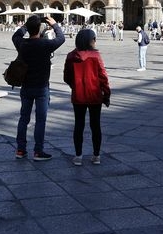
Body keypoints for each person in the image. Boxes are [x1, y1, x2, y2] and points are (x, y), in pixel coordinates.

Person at [12, 14, 66, 161]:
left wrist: (25, 26)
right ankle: (38, 151)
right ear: (40, 28)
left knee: (24, 118)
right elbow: (61, 38)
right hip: (42, 87)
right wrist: (54, 24)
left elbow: (15, 36)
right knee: (40, 120)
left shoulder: (22, 44)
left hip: (26, 87)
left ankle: (20, 150)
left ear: (28, 28)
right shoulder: (45, 44)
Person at [64, 29, 111, 166]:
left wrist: (75, 85)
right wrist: (106, 94)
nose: (95, 41)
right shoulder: (96, 56)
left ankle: (78, 156)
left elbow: (66, 77)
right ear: (91, 41)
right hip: (95, 95)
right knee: (95, 125)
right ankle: (96, 156)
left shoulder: (71, 56)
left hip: (78, 96)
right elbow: (103, 77)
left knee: (79, 125)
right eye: (94, 39)